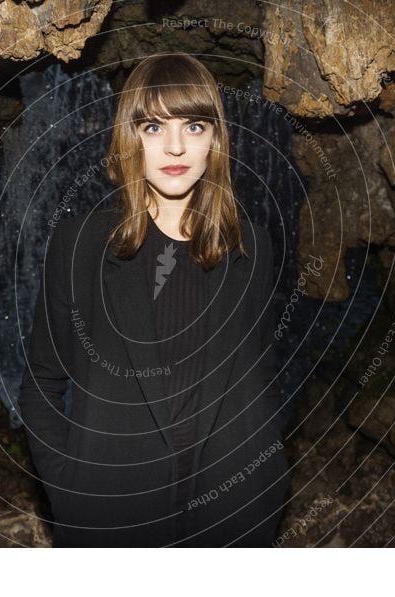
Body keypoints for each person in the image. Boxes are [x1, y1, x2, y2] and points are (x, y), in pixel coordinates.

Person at [18, 52, 290, 547]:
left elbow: (265, 374)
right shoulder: (79, 245)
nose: (174, 146)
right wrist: (70, 492)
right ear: (131, 139)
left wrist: (264, 474)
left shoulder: (254, 246)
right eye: (152, 127)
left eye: (193, 126)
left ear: (215, 140)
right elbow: (42, 384)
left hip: (234, 519)